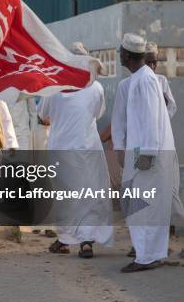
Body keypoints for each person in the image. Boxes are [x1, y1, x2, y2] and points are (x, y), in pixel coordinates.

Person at [38, 43, 113, 258]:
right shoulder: (96, 88)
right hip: (87, 148)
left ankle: (65, 239)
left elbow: (43, 116)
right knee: (89, 193)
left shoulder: (53, 87)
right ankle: (85, 241)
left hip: (61, 148)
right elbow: (98, 114)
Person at [113, 33, 177, 273]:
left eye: (120, 52)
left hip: (148, 154)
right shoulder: (137, 80)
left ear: (128, 55)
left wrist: (146, 154)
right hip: (140, 151)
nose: (119, 55)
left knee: (146, 206)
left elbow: (151, 120)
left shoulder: (146, 80)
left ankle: (147, 257)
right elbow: (129, 121)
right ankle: (151, 253)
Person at [144, 42, 176, 118]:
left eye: (154, 62)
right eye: (148, 62)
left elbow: (172, 105)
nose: (152, 66)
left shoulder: (161, 80)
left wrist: (162, 119)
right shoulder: (134, 81)